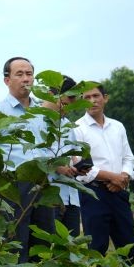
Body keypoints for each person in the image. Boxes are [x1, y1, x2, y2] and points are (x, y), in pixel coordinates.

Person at [0, 57, 55, 263]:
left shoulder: (42, 111)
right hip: (14, 186)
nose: (25, 79)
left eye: (29, 74)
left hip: (43, 184)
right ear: (6, 80)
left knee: (44, 242)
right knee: (16, 244)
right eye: (19, 74)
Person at [75, 85, 134, 263]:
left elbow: (128, 158)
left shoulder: (117, 126)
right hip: (93, 194)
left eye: (96, 96)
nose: (92, 101)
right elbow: (82, 167)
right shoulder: (77, 129)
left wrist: (123, 177)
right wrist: (113, 177)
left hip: (119, 192)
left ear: (105, 98)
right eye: (86, 97)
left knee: (130, 246)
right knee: (96, 248)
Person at [42, 75, 83, 236]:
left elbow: (73, 156)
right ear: (51, 94)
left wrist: (78, 166)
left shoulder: (67, 126)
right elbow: (33, 155)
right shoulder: (35, 120)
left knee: (70, 250)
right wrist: (58, 167)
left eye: (69, 107)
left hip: (71, 197)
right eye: (64, 104)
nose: (65, 110)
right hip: (49, 196)